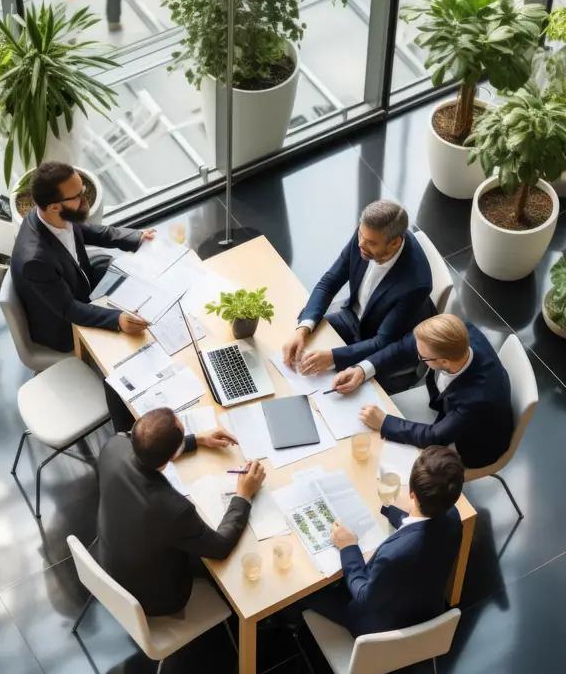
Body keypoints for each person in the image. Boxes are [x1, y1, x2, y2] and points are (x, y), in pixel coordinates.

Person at [97, 407, 265, 616]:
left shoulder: (113, 445)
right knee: (228, 567)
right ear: (173, 454)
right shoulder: (173, 509)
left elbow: (143, 450)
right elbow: (220, 547)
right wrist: (243, 495)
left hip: (110, 562)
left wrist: (196, 439)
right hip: (155, 598)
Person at [299, 447, 464, 637]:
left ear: (412, 494)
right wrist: (389, 511)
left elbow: (363, 596)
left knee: (305, 590)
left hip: (377, 627)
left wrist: (348, 547)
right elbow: (427, 528)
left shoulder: (395, 554)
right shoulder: (453, 518)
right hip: (426, 613)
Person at [332, 314, 513, 469]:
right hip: (445, 404)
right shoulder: (460, 333)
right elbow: (403, 348)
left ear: (444, 362)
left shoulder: (477, 399)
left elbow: (435, 437)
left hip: (472, 444)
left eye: (422, 357)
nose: (418, 356)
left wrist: (384, 422)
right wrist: (362, 370)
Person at [282, 201, 434, 384]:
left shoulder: (416, 284)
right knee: (297, 342)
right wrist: (303, 328)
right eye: (360, 234)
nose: (360, 243)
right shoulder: (366, 234)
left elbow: (383, 341)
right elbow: (328, 283)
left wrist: (333, 357)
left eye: (370, 242)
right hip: (352, 318)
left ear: (395, 243)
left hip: (384, 345)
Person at [11, 161, 153, 355]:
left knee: (132, 277)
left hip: (79, 283)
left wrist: (136, 238)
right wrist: (117, 320)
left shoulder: (50, 215)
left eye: (83, 189)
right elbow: (69, 308)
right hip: (64, 324)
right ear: (53, 207)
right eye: (78, 195)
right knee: (134, 339)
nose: (85, 198)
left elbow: (88, 230)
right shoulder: (35, 261)